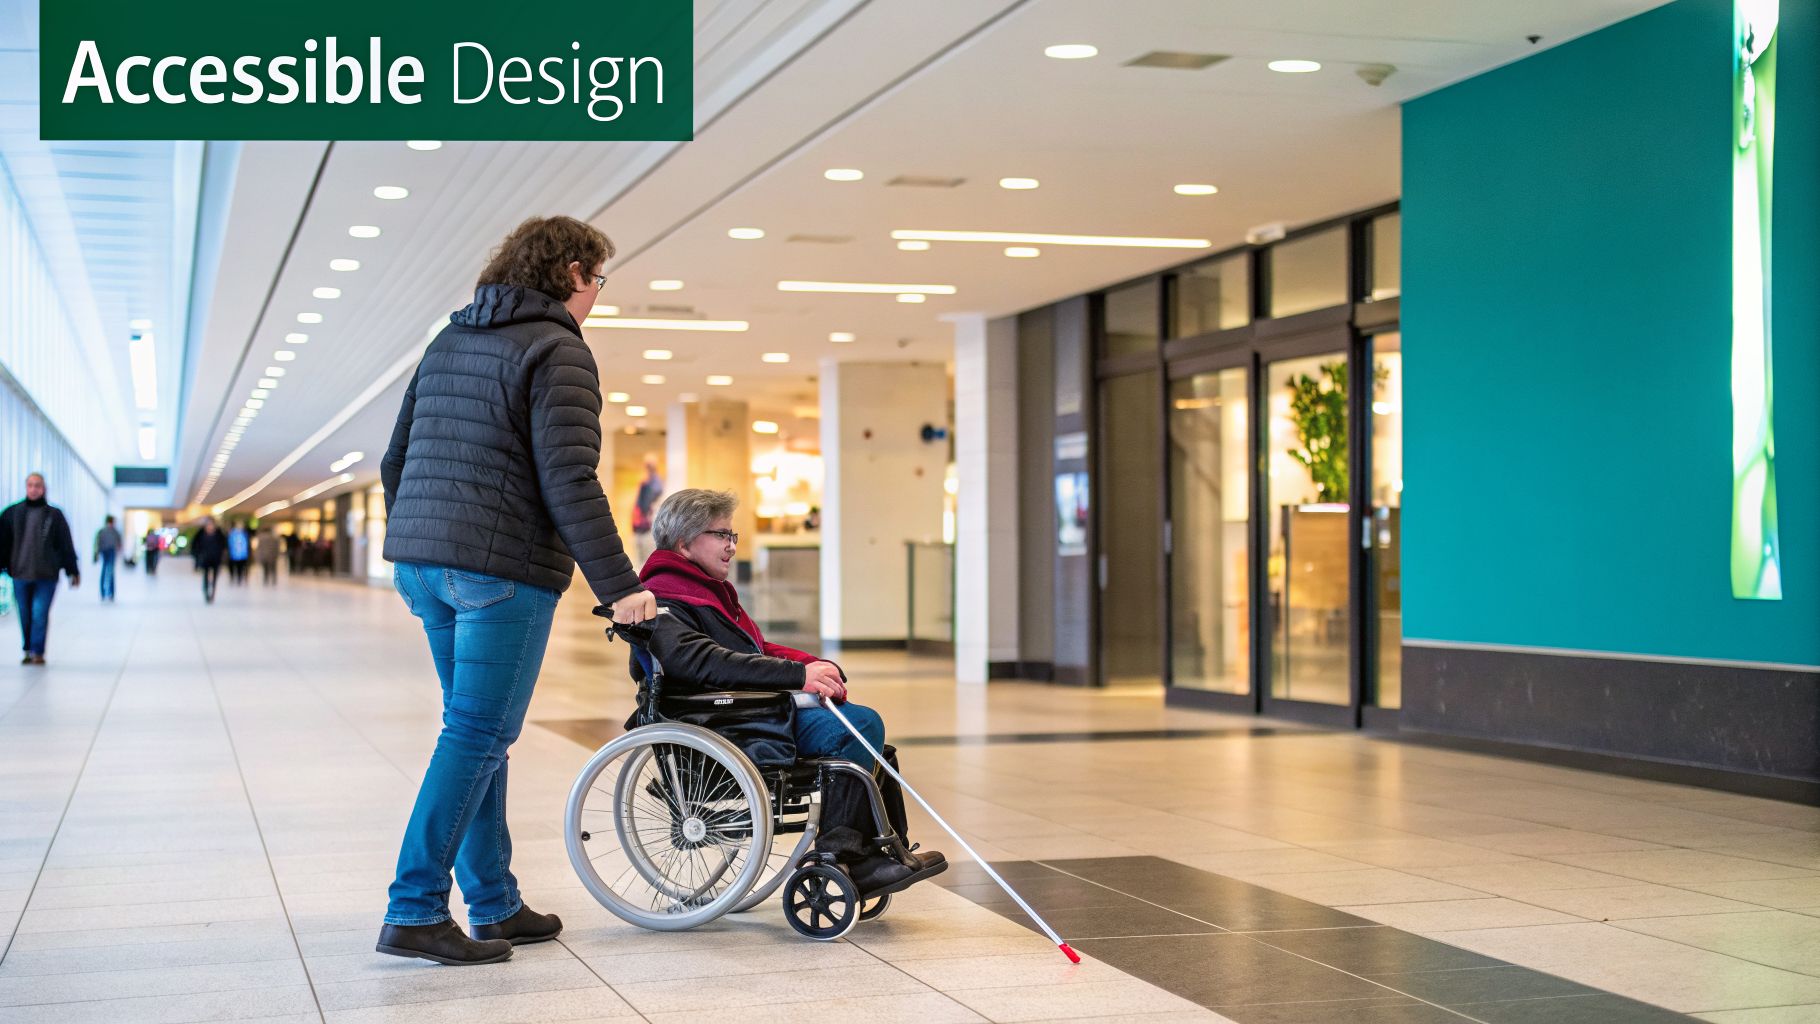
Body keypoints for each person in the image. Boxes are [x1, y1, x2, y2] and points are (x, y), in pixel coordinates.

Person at [376, 214, 655, 967]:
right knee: (477, 735)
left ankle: (493, 901)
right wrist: (622, 588)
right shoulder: (559, 347)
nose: (597, 294)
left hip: (425, 568)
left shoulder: (449, 339)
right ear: (571, 272)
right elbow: (569, 478)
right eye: (598, 279)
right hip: (499, 573)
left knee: (475, 734)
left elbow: (394, 459)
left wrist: (422, 541)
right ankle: (415, 907)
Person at [634, 488, 947, 898]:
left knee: (875, 746)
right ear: (684, 541)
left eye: (733, 536)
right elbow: (702, 661)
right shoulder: (665, 596)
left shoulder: (703, 588)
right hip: (726, 723)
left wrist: (814, 665)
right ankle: (842, 857)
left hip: (747, 712)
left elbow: (752, 650)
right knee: (859, 727)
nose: (731, 546)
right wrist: (799, 675)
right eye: (722, 535)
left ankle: (882, 852)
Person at [0, 473, 81, 664]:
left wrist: (73, 570)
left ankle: (38, 652)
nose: (34, 489)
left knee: (39, 613)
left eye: (37, 485)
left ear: (43, 489)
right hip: (20, 573)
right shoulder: (11, 513)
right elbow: (2, 543)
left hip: (47, 575)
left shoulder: (54, 515)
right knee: (25, 614)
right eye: (30, 485)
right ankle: (28, 648)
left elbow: (65, 544)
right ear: (26, 487)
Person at [631, 454, 662, 565]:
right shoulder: (646, 482)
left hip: (648, 524)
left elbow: (650, 502)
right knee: (640, 556)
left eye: (650, 464)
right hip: (641, 524)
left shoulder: (655, 483)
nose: (648, 466)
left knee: (647, 557)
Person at [191, 518, 227, 603]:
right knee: (205, 576)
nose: (210, 527)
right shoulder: (200, 534)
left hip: (216, 559)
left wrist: (222, 554)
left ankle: (213, 593)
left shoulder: (219, 534)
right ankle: (206, 592)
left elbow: (224, 545)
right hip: (205, 559)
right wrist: (197, 556)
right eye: (208, 525)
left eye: (212, 525)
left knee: (215, 577)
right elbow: (195, 545)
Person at [93, 515, 122, 602]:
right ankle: (111, 593)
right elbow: (119, 543)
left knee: (104, 570)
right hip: (111, 552)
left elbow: (97, 543)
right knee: (111, 572)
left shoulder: (101, 531)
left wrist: (96, 554)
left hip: (104, 552)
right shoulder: (114, 531)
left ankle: (103, 593)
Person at [227, 521, 251, 585]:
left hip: (243, 554)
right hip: (233, 554)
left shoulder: (245, 534)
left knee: (241, 567)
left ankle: (239, 578)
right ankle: (234, 577)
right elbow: (229, 543)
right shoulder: (232, 534)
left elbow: (247, 544)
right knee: (234, 567)